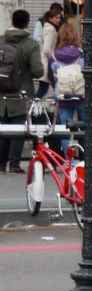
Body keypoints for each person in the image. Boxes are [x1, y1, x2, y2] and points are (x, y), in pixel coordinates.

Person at [0, 10, 44, 173]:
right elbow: (38, 71)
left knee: (3, 127)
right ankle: (14, 164)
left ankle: (0, 163)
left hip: (1, 92)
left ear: (12, 20)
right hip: (21, 93)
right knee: (18, 128)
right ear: (27, 23)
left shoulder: (1, 40)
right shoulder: (30, 44)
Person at [50, 17, 84, 154]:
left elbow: (51, 76)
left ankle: (69, 159)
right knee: (85, 125)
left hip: (63, 95)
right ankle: (85, 157)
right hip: (81, 94)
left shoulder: (54, 56)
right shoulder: (81, 54)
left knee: (64, 128)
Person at [37, 3, 62, 97]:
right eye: (56, 18)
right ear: (50, 18)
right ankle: (35, 109)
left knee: (43, 89)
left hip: (46, 63)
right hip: (48, 64)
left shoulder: (48, 27)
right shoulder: (51, 29)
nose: (59, 20)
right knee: (56, 89)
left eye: (59, 18)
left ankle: (35, 109)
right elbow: (47, 49)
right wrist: (54, 59)